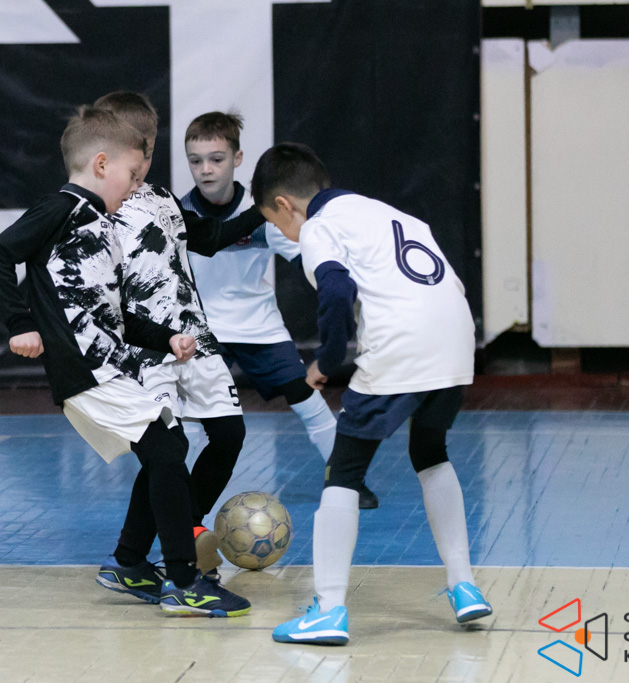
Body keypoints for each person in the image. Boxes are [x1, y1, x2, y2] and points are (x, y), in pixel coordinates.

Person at [0, 106, 249, 618]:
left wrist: (167, 337)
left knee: (167, 447)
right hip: (84, 369)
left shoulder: (101, 224)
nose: (135, 185)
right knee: (167, 449)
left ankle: (131, 563)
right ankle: (184, 582)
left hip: (108, 364)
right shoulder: (61, 207)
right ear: (101, 164)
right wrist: (19, 323)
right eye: (130, 174)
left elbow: (113, 313)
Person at [252, 143, 492, 645]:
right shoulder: (384, 212)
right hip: (455, 338)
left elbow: (337, 290)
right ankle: (464, 585)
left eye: (276, 224)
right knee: (431, 452)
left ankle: (328, 610)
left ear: (284, 206)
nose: (284, 235)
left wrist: (328, 359)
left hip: (401, 342)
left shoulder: (318, 228)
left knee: (343, 473)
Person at [91, 92, 266, 584]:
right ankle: (150, 555)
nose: (144, 160)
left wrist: (265, 209)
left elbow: (207, 240)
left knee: (229, 434)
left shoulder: (162, 198)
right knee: (167, 449)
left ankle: (179, 527)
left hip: (194, 337)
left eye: (148, 150)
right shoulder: (93, 208)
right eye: (137, 150)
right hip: (144, 346)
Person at [181, 111, 378, 510]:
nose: (206, 169)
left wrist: (342, 289)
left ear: (237, 159)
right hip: (200, 330)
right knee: (192, 415)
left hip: (259, 327)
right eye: (196, 160)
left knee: (306, 395)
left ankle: (347, 480)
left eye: (216, 159)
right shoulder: (178, 211)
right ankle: (182, 493)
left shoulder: (264, 213)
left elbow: (309, 260)